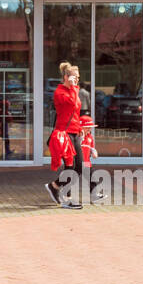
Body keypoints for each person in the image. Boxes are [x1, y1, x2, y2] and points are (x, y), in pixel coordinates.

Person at [46, 61, 88, 209]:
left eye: (78, 77)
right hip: (64, 133)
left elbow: (75, 112)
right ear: (66, 77)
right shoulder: (60, 92)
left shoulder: (74, 90)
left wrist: (80, 127)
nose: (77, 79)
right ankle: (68, 197)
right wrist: (73, 88)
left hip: (75, 132)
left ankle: (54, 186)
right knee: (70, 166)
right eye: (74, 77)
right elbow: (71, 103)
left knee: (80, 167)